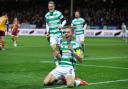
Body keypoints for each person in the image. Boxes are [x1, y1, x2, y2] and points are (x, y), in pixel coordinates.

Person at [45, 1, 66, 66]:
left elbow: (64, 20)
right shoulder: (47, 15)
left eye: (51, 6)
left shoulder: (58, 13)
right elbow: (47, 24)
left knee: (60, 48)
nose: (50, 8)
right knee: (54, 48)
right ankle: (57, 63)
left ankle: (61, 60)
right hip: (52, 35)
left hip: (59, 34)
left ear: (54, 6)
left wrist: (61, 26)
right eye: (49, 6)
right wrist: (47, 32)